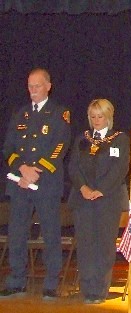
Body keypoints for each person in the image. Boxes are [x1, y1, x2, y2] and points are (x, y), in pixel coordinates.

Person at [0, 68, 71, 299]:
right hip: (20, 183)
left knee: (50, 232)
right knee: (17, 232)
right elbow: (8, 147)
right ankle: (16, 279)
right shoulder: (20, 114)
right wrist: (21, 168)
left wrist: (35, 171)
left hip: (46, 183)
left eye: (37, 86)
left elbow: (60, 147)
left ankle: (51, 282)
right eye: (30, 86)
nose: (32, 90)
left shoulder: (59, 113)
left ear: (48, 86)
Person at [68, 98, 130, 304]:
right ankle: (87, 289)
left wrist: (101, 190)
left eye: (100, 116)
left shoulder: (119, 139)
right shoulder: (82, 139)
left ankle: (100, 290)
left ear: (109, 117)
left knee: (104, 246)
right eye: (93, 116)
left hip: (108, 200)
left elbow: (120, 169)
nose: (96, 120)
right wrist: (84, 188)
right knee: (86, 245)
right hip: (83, 199)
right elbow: (73, 168)